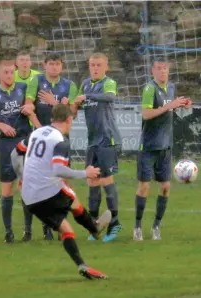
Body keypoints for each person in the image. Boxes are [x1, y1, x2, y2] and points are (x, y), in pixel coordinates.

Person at [15, 103, 111, 279]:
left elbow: (16, 153)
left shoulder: (36, 133)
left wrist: (21, 177)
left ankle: (82, 265)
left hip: (29, 197)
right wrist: (86, 173)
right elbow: (58, 169)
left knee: (66, 229)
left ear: (52, 118)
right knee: (70, 195)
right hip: (47, 192)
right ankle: (94, 228)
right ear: (68, 120)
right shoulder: (60, 140)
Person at [19, 53, 78, 241]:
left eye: (57, 63)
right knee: (31, 183)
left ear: (62, 66)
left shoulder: (69, 85)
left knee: (61, 183)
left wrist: (55, 104)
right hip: (39, 143)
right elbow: (28, 108)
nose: (54, 67)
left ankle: (54, 228)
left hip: (61, 143)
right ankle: (27, 230)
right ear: (45, 65)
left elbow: (72, 114)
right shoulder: (36, 81)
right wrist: (42, 131)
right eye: (51, 63)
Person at [0, 60, 37, 244]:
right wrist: (1, 125)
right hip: (4, 144)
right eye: (5, 72)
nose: (9, 75)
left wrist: (30, 107)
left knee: (26, 186)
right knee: (7, 187)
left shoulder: (24, 88)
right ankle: (8, 232)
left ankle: (28, 231)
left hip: (24, 141)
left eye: (12, 72)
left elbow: (31, 104)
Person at [133, 58, 191, 241]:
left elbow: (170, 109)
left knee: (165, 187)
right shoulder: (150, 89)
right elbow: (146, 114)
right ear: (153, 71)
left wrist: (183, 105)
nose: (162, 71)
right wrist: (168, 106)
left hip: (165, 147)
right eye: (159, 68)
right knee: (144, 187)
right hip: (149, 147)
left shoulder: (171, 87)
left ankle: (156, 226)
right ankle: (137, 227)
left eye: (165, 68)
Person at [70, 52, 123, 242]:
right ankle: (94, 226)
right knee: (92, 181)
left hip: (108, 139)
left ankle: (115, 223)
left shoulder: (108, 83)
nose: (95, 68)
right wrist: (74, 105)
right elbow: (74, 111)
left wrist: (86, 96)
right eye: (92, 65)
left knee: (107, 180)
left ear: (106, 67)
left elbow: (109, 97)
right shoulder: (84, 84)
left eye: (99, 65)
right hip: (92, 141)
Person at [0, 51, 41, 179]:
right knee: (6, 174)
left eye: (27, 60)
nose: (24, 63)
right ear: (17, 63)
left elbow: (33, 101)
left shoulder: (37, 78)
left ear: (31, 62)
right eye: (21, 60)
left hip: (26, 126)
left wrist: (31, 108)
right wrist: (1, 125)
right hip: (5, 135)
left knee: (27, 176)